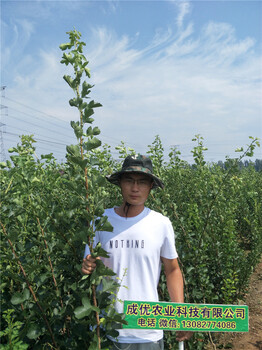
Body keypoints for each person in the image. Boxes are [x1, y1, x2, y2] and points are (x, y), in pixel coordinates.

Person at [82, 154, 191, 349]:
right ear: (120, 184)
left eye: (142, 182)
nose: (135, 188)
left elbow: (172, 270)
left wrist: (180, 315)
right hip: (106, 328)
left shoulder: (160, 224)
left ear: (150, 187)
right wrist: (88, 265)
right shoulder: (99, 221)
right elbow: (87, 265)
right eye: (129, 181)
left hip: (147, 330)